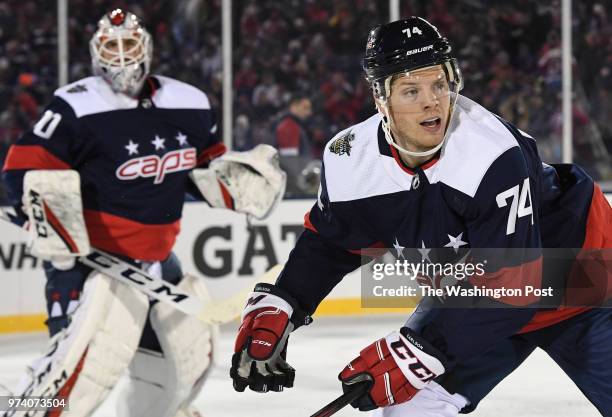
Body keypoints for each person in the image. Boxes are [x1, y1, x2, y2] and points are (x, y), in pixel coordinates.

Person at [229, 17, 612, 416]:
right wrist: (289, 299)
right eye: (411, 90)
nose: (432, 101)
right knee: (409, 411)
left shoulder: (490, 153)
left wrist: (421, 350)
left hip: (580, 278)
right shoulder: (349, 157)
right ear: (381, 100)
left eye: (438, 85)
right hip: (479, 294)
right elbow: (334, 240)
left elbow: (515, 287)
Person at [1, 9, 284, 417]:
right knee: (69, 380)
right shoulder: (75, 106)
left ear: (146, 48)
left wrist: (233, 183)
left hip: (159, 264)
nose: (120, 55)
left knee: (181, 374)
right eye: (110, 46)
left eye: (128, 44)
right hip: (87, 264)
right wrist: (38, 210)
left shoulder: (189, 102)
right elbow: (22, 167)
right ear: (97, 53)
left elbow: (204, 168)